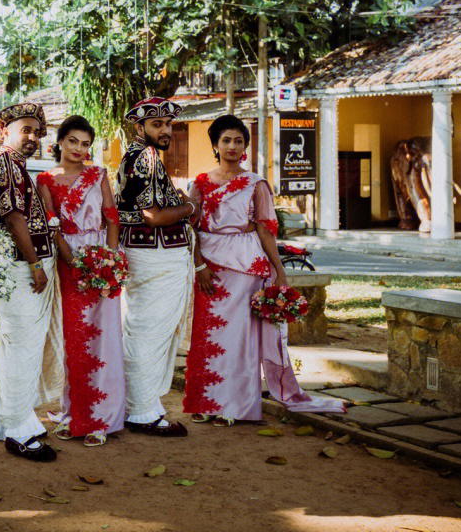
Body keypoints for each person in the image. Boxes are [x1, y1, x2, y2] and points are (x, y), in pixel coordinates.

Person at [184, 115, 345, 424]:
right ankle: (206, 402)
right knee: (207, 336)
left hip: (245, 268)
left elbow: (265, 230)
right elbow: (189, 227)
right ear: (215, 145)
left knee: (239, 339)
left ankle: (234, 406)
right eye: (226, 140)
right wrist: (199, 265)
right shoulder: (200, 183)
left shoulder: (255, 183)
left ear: (245, 146)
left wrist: (279, 272)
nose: (232, 146)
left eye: (238, 141)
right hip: (209, 269)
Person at [38, 115, 125, 448]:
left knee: (104, 339)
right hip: (69, 261)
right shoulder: (46, 179)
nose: (79, 149)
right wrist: (72, 260)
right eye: (73, 141)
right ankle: (75, 414)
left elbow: (111, 217)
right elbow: (51, 225)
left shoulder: (98, 174)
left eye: (85, 143)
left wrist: (110, 259)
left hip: (102, 257)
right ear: (60, 141)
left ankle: (102, 418)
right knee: (74, 338)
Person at [0, 102, 63, 462]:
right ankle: (17, 429)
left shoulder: (16, 164)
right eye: (24, 130)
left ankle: (6, 420)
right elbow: (14, 219)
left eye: (36, 131)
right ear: (4, 132)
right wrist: (34, 263)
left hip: (23, 266)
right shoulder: (5, 165)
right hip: (21, 267)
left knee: (17, 345)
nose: (32, 137)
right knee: (21, 346)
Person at [115, 97, 195, 438]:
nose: (165, 131)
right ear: (140, 127)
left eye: (168, 124)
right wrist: (190, 207)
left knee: (141, 329)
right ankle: (142, 411)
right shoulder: (146, 156)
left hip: (144, 251)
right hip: (155, 252)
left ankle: (143, 403)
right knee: (152, 333)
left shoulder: (133, 155)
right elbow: (153, 215)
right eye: (157, 125)